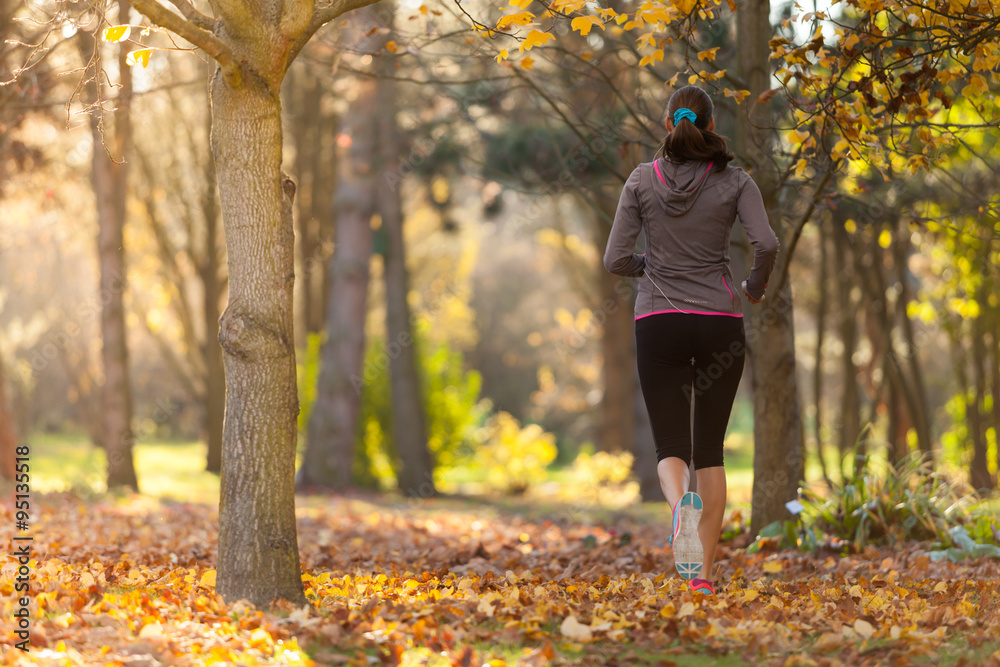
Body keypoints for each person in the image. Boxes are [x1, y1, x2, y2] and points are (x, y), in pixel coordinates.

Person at [603, 85, 779, 597]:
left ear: (667, 124)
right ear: (708, 124)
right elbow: (764, 242)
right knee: (711, 452)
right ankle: (700, 576)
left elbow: (615, 259)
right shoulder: (736, 180)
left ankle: (681, 505)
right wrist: (753, 287)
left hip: (658, 319)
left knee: (670, 447)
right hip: (719, 319)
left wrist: (651, 267)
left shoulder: (640, 180)